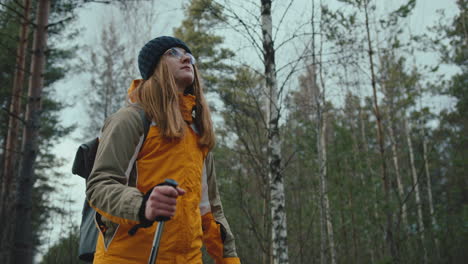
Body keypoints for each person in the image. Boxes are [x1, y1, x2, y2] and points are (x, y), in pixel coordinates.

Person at [86, 36, 240, 264]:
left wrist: (229, 260)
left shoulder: (198, 133)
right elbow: (99, 187)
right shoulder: (131, 120)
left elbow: (210, 212)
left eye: (188, 55)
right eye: (173, 53)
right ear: (154, 67)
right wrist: (142, 205)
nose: (186, 57)